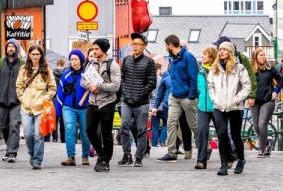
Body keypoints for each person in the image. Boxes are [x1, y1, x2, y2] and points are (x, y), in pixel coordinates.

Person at [207, 41, 251, 175]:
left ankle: (241, 159)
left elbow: (246, 86)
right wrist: (215, 99)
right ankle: (224, 164)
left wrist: (237, 99)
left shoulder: (239, 68)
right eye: (220, 49)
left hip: (234, 107)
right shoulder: (214, 68)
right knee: (221, 134)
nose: (221, 52)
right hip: (219, 106)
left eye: (224, 50)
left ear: (230, 52)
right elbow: (210, 86)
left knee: (236, 135)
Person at [154, 35, 198, 163]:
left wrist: (190, 96)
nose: (165, 48)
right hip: (175, 97)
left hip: (187, 98)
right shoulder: (172, 59)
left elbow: (193, 78)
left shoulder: (188, 57)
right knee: (171, 123)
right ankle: (171, 152)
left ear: (170, 45)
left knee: (193, 126)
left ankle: (205, 147)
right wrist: (173, 92)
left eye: (166, 45)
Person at [81, 37, 121, 172]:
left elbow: (116, 86)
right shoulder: (90, 64)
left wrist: (99, 86)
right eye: (93, 48)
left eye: (97, 49)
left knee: (106, 133)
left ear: (103, 49)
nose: (94, 51)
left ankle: (105, 161)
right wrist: (90, 86)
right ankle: (102, 154)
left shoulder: (113, 65)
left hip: (107, 102)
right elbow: (83, 82)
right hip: (92, 102)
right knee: (89, 129)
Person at [117, 32, 156, 167]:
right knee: (124, 127)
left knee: (141, 130)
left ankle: (139, 157)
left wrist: (141, 93)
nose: (134, 46)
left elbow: (152, 82)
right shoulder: (126, 60)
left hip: (142, 102)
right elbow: (122, 78)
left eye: (138, 44)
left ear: (144, 46)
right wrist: (124, 92)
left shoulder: (149, 62)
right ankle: (126, 155)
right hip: (126, 100)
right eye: (133, 44)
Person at [15, 43, 56, 170]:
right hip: (26, 107)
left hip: (40, 108)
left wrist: (46, 98)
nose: (35, 56)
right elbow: (19, 87)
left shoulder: (47, 70)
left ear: (41, 55)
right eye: (33, 54)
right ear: (29, 55)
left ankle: (37, 160)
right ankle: (32, 154)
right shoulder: (23, 69)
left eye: (37, 54)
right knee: (28, 135)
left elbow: (53, 88)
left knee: (38, 135)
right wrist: (22, 99)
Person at [56, 49, 91, 166]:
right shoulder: (66, 75)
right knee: (69, 130)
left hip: (85, 108)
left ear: (81, 60)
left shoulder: (87, 74)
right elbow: (60, 93)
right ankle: (70, 157)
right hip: (68, 107)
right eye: (71, 59)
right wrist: (57, 111)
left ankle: (85, 156)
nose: (73, 62)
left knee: (85, 133)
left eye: (75, 59)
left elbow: (94, 89)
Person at [0, 38, 24, 163]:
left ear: (16, 49)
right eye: (9, 46)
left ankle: (12, 153)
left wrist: (21, 96)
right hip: (2, 101)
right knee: (4, 127)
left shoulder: (22, 64)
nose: (10, 48)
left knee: (14, 125)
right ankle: (8, 148)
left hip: (16, 102)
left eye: (13, 46)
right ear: (6, 48)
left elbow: (26, 82)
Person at [249, 47, 283, 157]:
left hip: (268, 100)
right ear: (255, 57)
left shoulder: (270, 69)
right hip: (254, 101)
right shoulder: (250, 71)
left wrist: (276, 91)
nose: (263, 57)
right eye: (261, 55)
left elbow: (281, 79)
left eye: (264, 55)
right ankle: (267, 143)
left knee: (262, 124)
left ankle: (262, 150)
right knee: (256, 126)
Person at [194, 46, 217, 170]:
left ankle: (228, 157)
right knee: (202, 131)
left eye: (205, 54)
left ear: (212, 57)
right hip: (203, 107)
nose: (202, 56)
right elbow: (199, 89)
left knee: (222, 133)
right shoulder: (200, 72)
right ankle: (201, 161)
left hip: (216, 107)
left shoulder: (219, 71)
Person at [49, 57, 66, 143]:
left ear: (57, 64)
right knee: (63, 120)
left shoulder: (52, 74)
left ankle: (54, 137)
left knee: (54, 119)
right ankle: (63, 138)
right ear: (64, 65)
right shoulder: (66, 74)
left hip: (54, 98)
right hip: (63, 99)